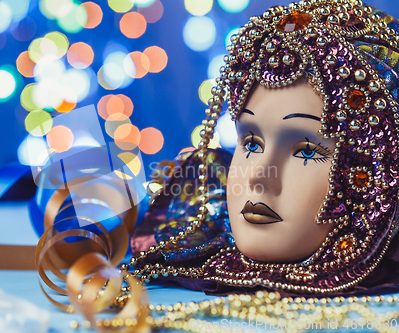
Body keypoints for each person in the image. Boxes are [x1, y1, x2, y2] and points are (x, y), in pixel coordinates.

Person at [129, 0, 399, 294]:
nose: (258, 177)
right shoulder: (176, 243)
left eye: (306, 150)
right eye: (252, 142)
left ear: (376, 175)